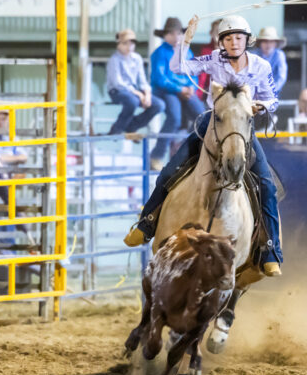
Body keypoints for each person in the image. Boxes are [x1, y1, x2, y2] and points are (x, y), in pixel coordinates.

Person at [123, 15, 283, 277]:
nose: (233, 43)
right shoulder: (213, 60)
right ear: (221, 42)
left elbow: (273, 99)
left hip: (243, 126)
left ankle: (270, 249)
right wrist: (185, 40)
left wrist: (260, 106)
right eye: (228, 38)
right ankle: (147, 223)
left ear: (247, 40)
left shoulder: (261, 66)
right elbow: (178, 68)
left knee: (266, 184)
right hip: (212, 123)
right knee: (170, 170)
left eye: (238, 38)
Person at [149, 17, 206, 170]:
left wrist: (190, 87)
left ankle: (194, 151)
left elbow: (193, 73)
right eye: (172, 34)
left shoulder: (186, 52)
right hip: (166, 91)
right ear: (165, 35)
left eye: (178, 33)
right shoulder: (159, 53)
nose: (176, 37)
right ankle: (157, 155)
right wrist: (181, 89)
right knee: (174, 117)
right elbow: (160, 78)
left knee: (202, 115)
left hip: (184, 90)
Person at [106, 28, 164, 138]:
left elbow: (142, 80)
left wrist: (147, 94)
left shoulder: (137, 58)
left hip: (134, 92)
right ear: (118, 44)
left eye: (132, 43)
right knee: (132, 101)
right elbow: (118, 83)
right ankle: (116, 129)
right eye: (125, 43)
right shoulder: (114, 60)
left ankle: (132, 126)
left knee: (159, 105)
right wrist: (139, 94)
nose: (129, 46)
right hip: (117, 91)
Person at [255, 27, 288, 96]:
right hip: (254, 93)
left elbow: (281, 77)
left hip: (272, 94)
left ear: (276, 43)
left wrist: (271, 91)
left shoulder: (279, 55)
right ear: (260, 43)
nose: (268, 45)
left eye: (271, 41)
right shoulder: (253, 55)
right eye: (265, 41)